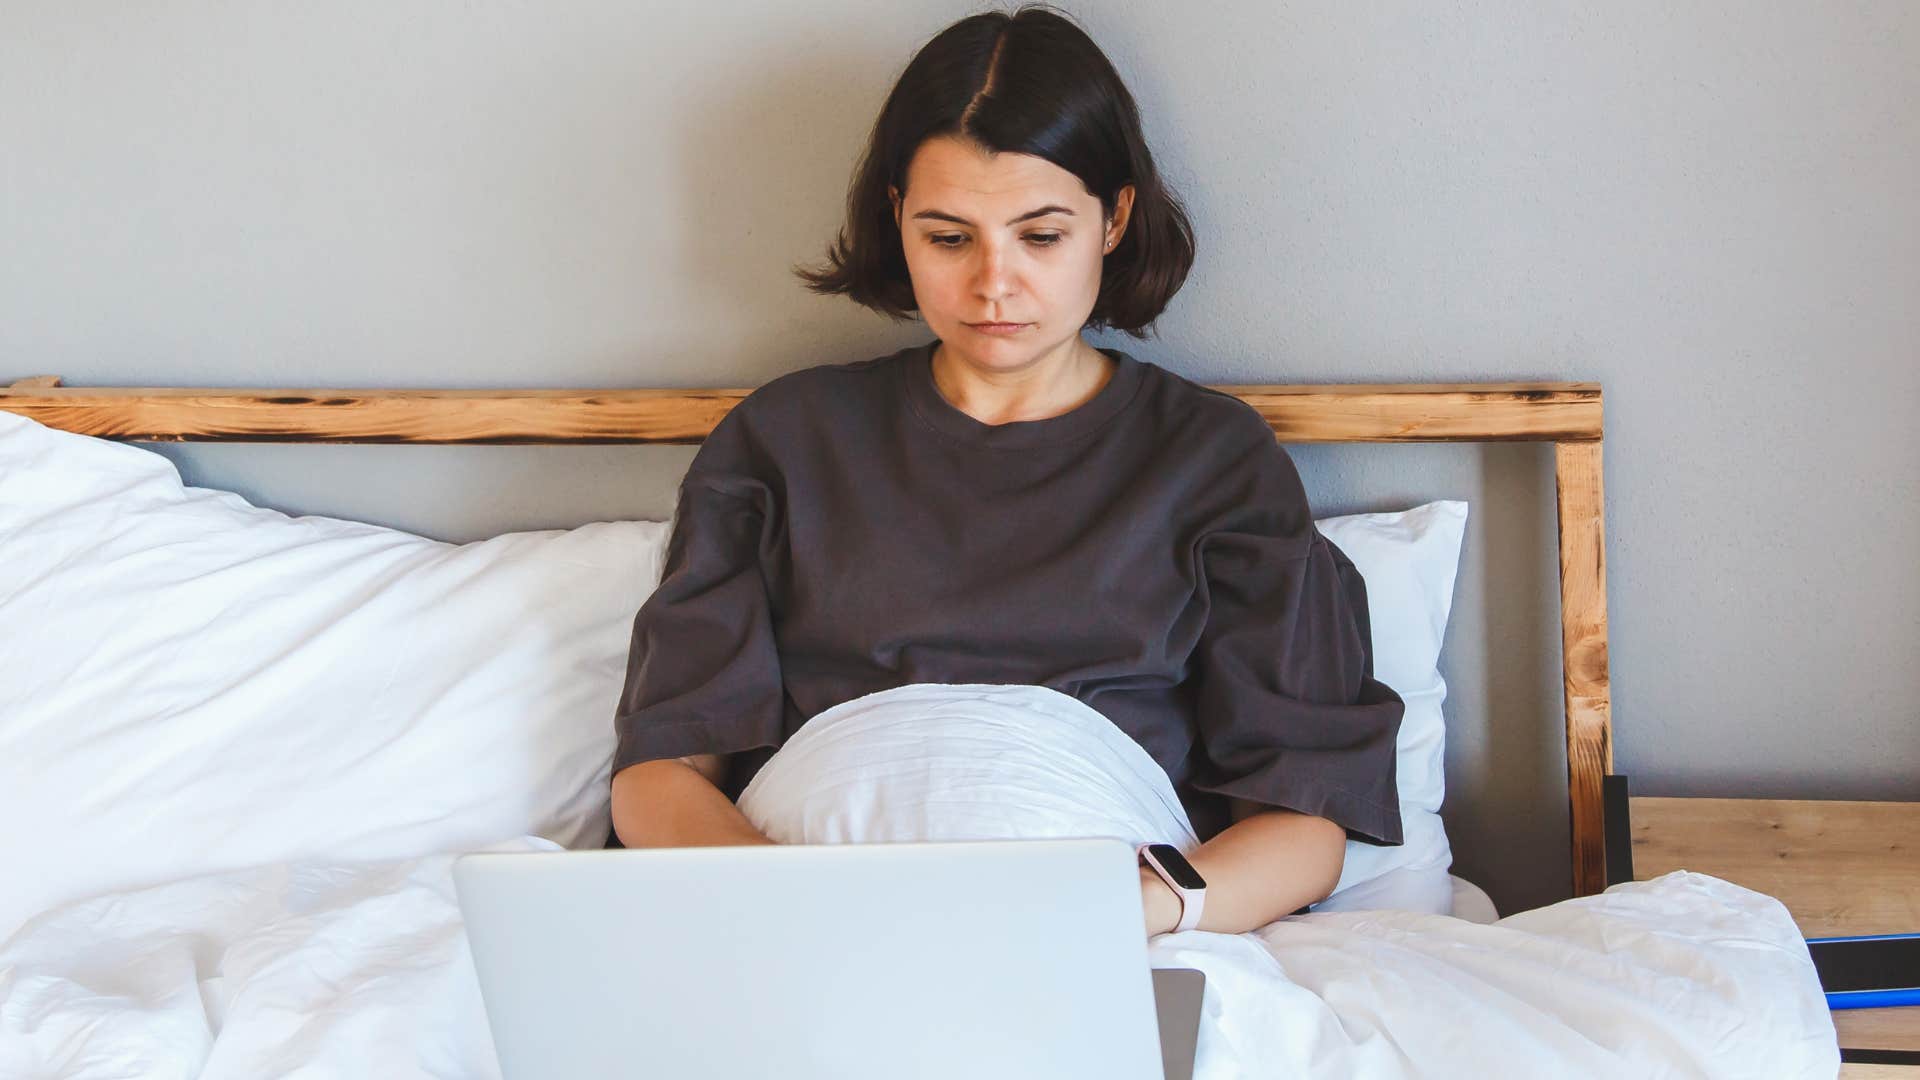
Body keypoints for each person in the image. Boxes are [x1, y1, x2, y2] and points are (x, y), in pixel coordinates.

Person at [609, 5, 1404, 938]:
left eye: (1041, 236)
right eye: (950, 238)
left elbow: (1303, 819)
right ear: (896, 218)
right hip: (799, 922)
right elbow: (661, 772)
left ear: (1114, 219)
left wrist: (1111, 916)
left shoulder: (1214, 461)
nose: (994, 285)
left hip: (1105, 923)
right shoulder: (785, 439)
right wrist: (801, 912)